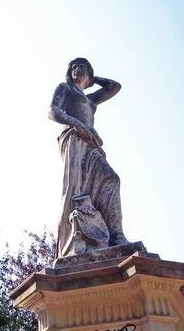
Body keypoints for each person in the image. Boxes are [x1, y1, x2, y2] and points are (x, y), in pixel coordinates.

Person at [49, 57, 128, 258]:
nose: (77, 69)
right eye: (73, 67)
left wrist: (92, 79)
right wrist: (77, 124)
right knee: (78, 187)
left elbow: (114, 86)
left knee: (110, 178)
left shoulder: (91, 99)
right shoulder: (65, 89)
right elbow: (52, 111)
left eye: (81, 66)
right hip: (74, 139)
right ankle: (81, 233)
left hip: (91, 142)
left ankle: (116, 235)